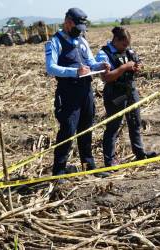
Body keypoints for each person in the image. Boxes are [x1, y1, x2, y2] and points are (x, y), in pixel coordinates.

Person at [45, 8, 110, 178]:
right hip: (68, 92)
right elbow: (51, 68)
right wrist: (74, 72)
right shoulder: (54, 42)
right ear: (67, 22)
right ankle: (58, 172)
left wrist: (100, 66)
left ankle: (89, 166)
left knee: (86, 128)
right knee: (68, 130)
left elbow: (90, 62)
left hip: (86, 90)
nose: (79, 31)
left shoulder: (82, 40)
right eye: (76, 27)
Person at [96, 26, 156, 168]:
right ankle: (109, 161)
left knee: (135, 122)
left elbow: (135, 64)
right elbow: (106, 78)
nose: (126, 48)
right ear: (116, 40)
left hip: (130, 91)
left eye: (127, 45)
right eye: (123, 44)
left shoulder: (128, 51)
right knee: (113, 126)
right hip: (115, 94)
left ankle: (140, 153)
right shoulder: (103, 54)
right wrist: (124, 68)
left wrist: (136, 67)